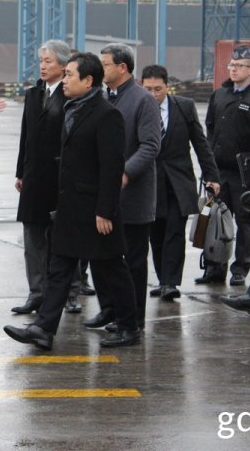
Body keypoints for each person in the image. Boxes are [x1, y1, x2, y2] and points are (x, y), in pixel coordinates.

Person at [4, 52, 140, 350]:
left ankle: (130, 327)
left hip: (95, 210)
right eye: (63, 74)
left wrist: (105, 210)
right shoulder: (72, 109)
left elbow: (112, 166)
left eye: (69, 75)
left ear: (88, 80)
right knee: (60, 268)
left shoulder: (106, 115)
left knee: (111, 269)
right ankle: (43, 328)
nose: (63, 80)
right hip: (70, 207)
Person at [83, 44, 160, 332]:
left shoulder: (142, 101)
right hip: (105, 196)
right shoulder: (105, 98)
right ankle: (111, 309)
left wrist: (124, 173)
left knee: (134, 262)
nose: (100, 69)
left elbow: (151, 145)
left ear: (122, 68)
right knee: (103, 256)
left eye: (105, 65)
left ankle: (134, 318)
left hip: (133, 197)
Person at [141, 65, 220, 301]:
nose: (153, 94)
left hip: (178, 182)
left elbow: (200, 143)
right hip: (149, 182)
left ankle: (170, 282)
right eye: (148, 89)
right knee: (155, 234)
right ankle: (163, 278)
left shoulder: (184, 107)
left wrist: (211, 175)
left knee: (174, 231)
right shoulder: (140, 107)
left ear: (168, 87)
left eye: (158, 89)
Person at [202, 45, 250, 285]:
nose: (233, 69)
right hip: (218, 170)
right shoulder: (220, 94)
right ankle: (214, 266)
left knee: (244, 222)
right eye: (231, 65)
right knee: (213, 219)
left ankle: (240, 268)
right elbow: (209, 127)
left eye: (240, 66)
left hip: (244, 173)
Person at [13, 40, 73, 314]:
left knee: (62, 238)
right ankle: (36, 292)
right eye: (41, 61)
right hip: (34, 176)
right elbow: (26, 135)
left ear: (63, 65)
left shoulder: (71, 94)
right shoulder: (33, 94)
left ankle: (69, 292)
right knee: (33, 238)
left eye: (49, 61)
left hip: (61, 177)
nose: (43, 66)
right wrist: (20, 172)